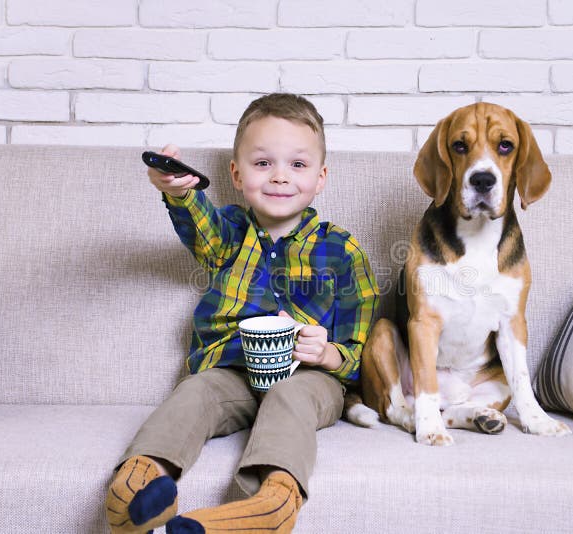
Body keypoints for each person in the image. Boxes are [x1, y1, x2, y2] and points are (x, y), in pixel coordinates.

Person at [105, 93, 379, 534]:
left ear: (321, 177)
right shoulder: (230, 233)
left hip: (310, 380)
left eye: (298, 165)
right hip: (231, 371)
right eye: (263, 163)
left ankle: (269, 506)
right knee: (194, 392)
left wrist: (327, 354)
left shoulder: (342, 252)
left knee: (291, 398)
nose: (280, 177)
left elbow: (358, 351)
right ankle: (137, 490)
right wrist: (179, 192)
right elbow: (200, 223)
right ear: (236, 173)